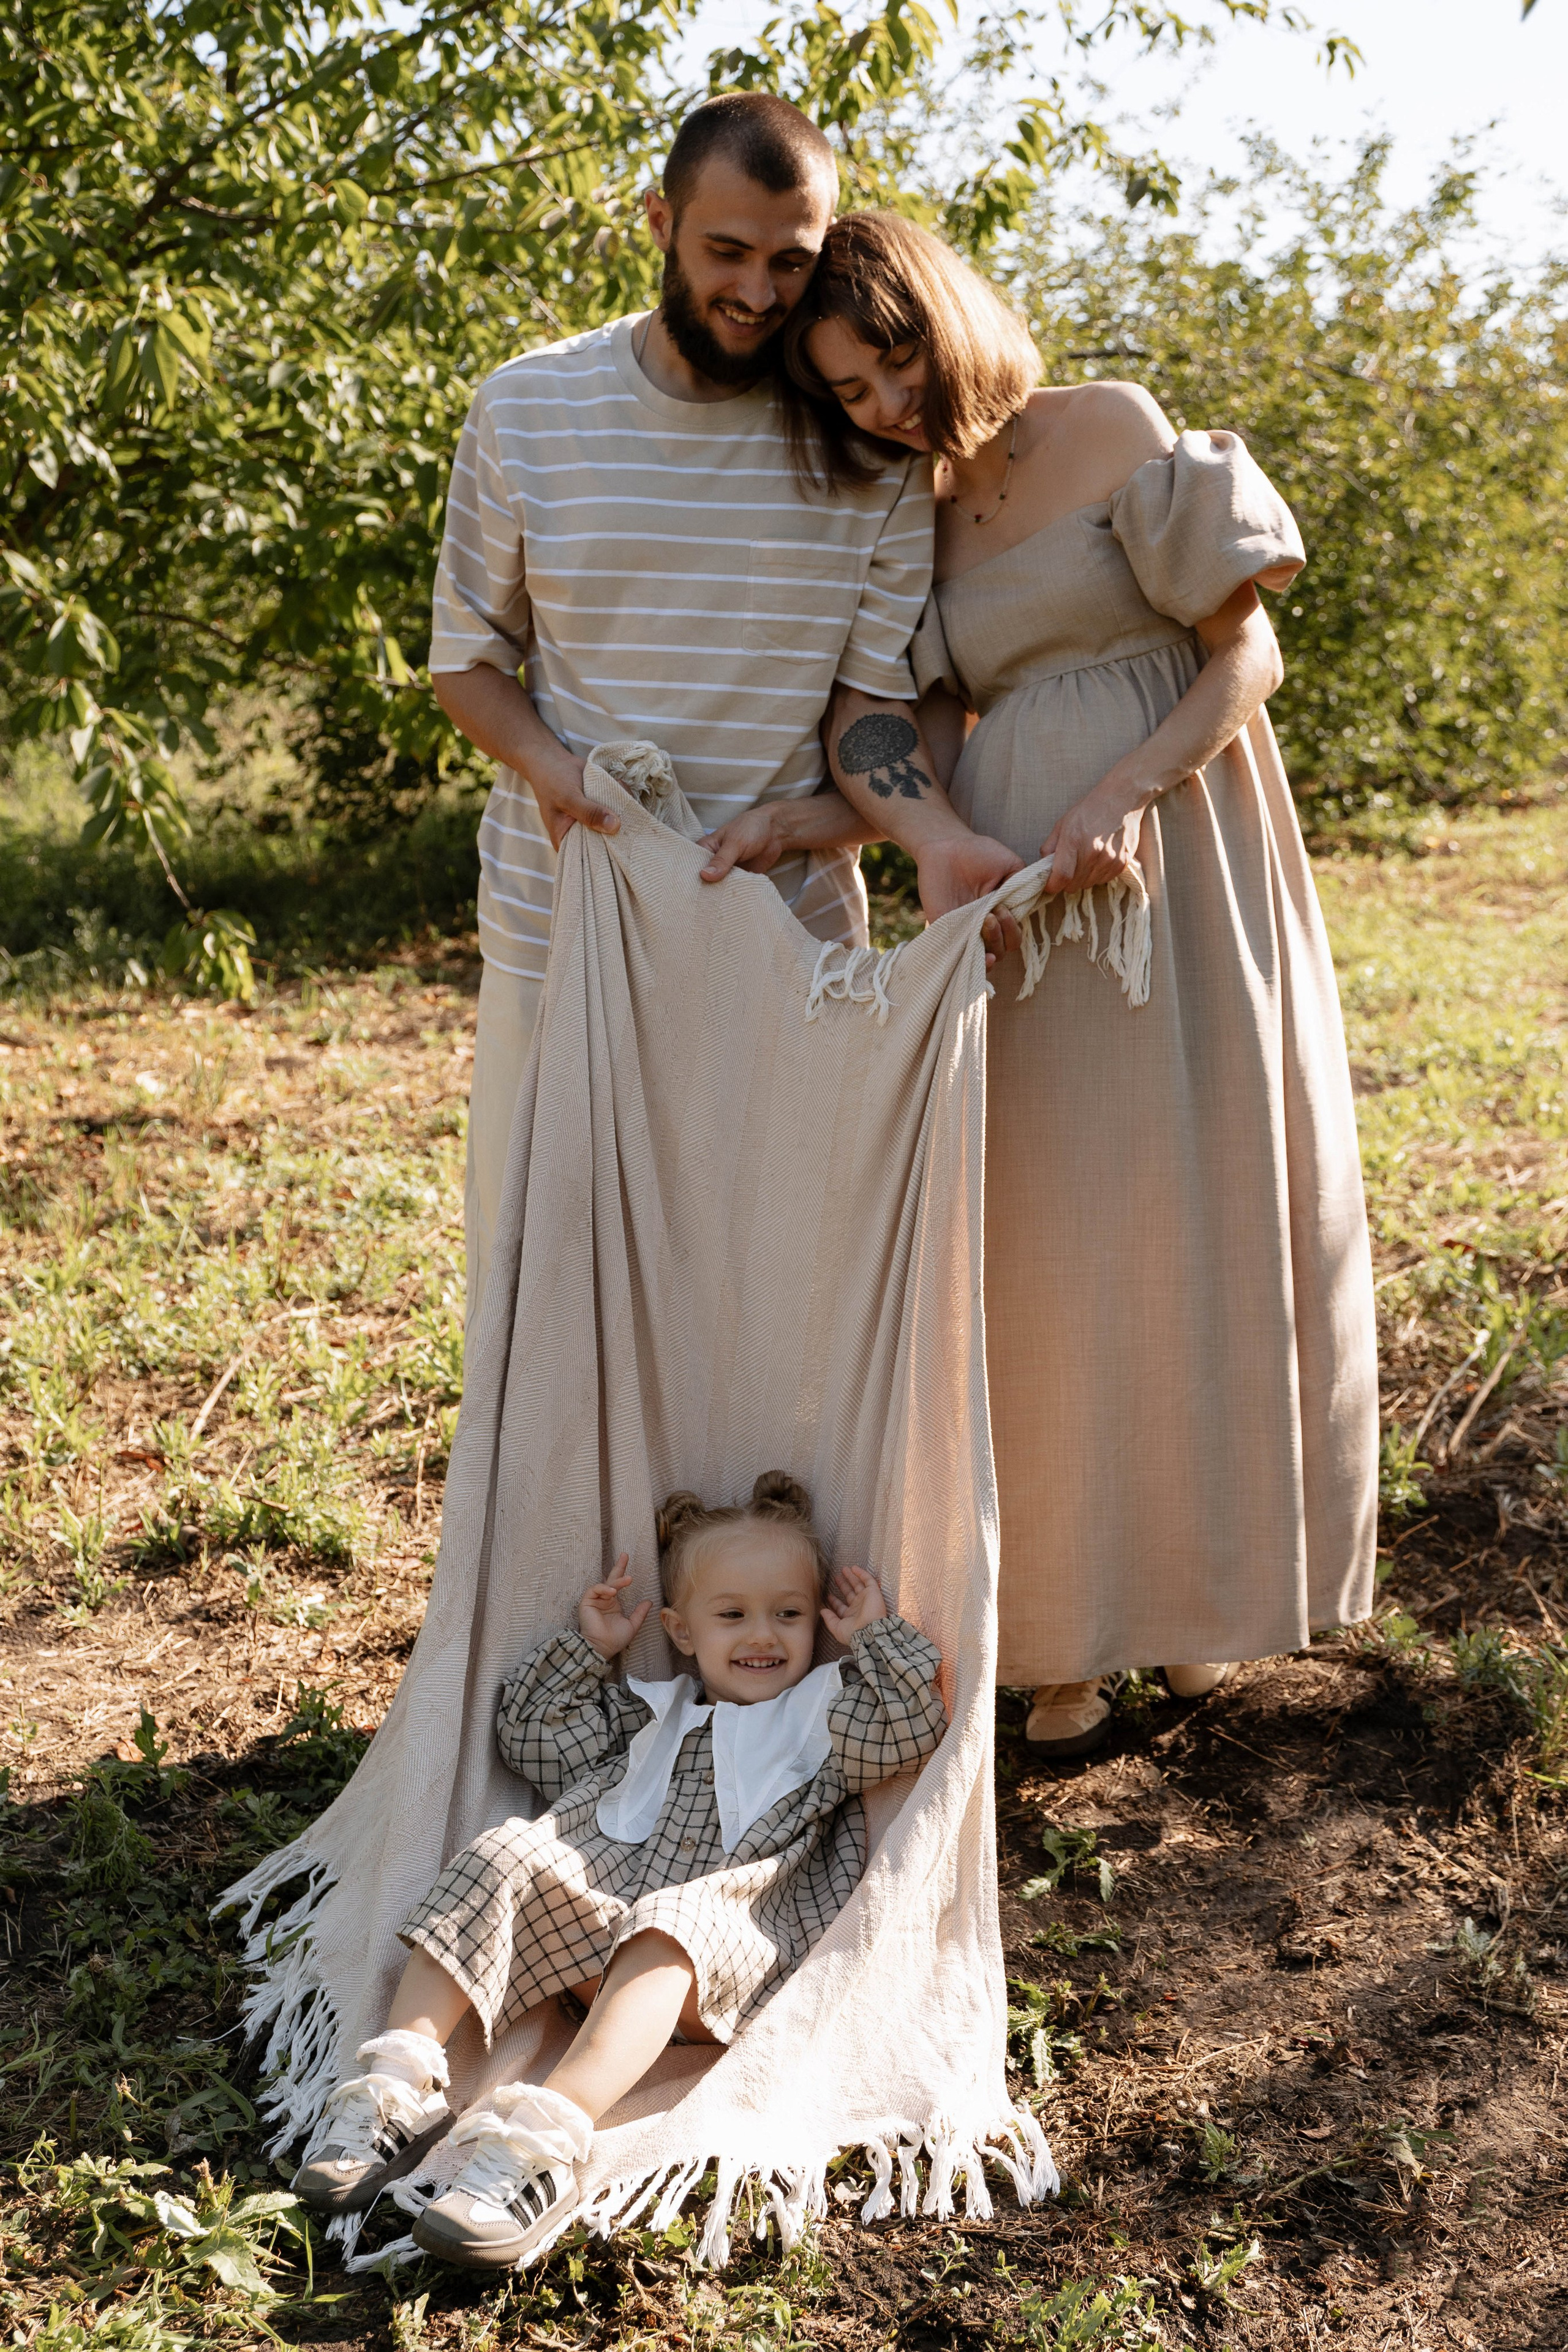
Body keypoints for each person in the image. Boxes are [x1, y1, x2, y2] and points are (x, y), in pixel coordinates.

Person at [785, 213, 1379, 1757]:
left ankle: (1196, 1599)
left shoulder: (1108, 426)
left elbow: (1240, 655)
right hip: (1021, 896)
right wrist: (936, 845)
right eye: (845, 390)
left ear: (942, 316)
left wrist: (1124, 786)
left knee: (1198, 1205)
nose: (879, 406)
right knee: (1048, 1242)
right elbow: (902, 725)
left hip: (1180, 854)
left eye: (889, 362)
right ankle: (1064, 1630)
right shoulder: (905, 514)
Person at [428, 92, 1015, 1329]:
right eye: (725, 251)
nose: (757, 290)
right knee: (550, 1290)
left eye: (788, 261)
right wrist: (556, 772)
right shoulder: (527, 409)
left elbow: (869, 710)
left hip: (785, 937)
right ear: (660, 222)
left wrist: (924, 836)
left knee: (775, 1299)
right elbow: (467, 663)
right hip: (564, 923)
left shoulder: (864, 442)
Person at [291, 1473, 946, 2267]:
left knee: (673, 1923)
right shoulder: (649, 1710)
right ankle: (399, 2083)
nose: (762, 1634)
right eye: (732, 1615)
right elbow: (532, 1737)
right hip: (592, 1939)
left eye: (790, 1613)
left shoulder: (819, 1712)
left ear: (820, 1624)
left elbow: (910, 1727)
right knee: (504, 1855)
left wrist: (875, 1638)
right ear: (679, 1628)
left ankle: (545, 2141)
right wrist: (590, 1649)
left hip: (726, 1944)